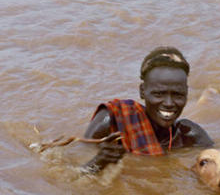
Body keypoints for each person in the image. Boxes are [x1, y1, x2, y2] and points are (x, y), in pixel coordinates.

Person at [80, 46, 213, 175]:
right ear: (142, 91)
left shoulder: (190, 136)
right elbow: (72, 178)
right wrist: (99, 162)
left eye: (177, 95)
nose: (169, 103)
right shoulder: (112, 121)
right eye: (158, 94)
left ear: (186, 93)